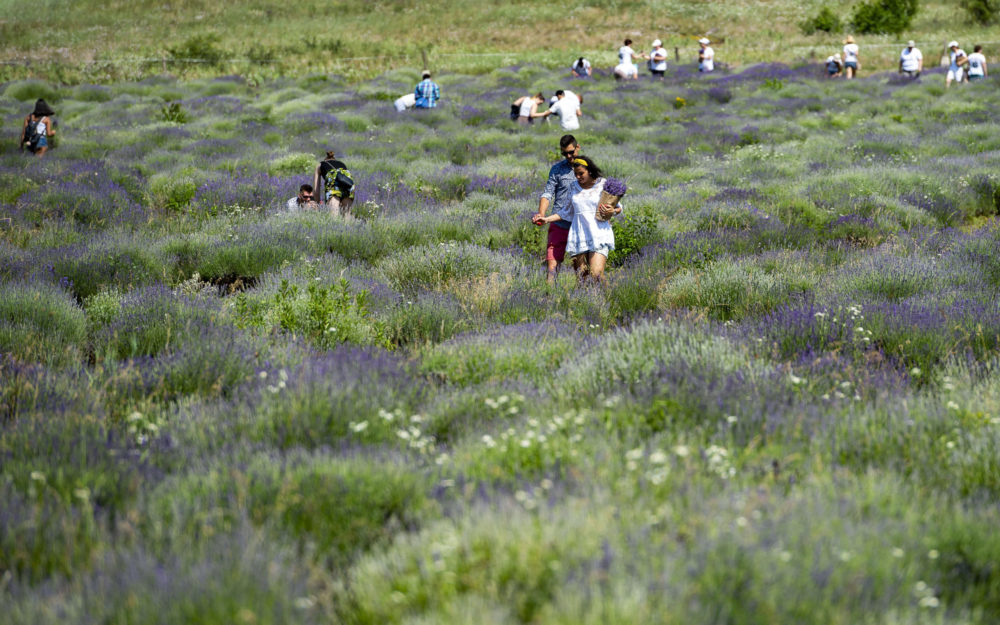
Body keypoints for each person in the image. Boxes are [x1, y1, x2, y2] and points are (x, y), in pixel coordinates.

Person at [535, 155, 621, 283]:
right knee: (582, 278)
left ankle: (611, 298)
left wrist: (612, 211)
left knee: (596, 274)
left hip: (598, 234)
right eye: (576, 174)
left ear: (589, 171)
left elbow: (618, 207)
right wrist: (546, 219)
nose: (578, 177)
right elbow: (565, 212)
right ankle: (589, 302)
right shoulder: (574, 187)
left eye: (581, 173)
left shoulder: (602, 184)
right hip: (579, 236)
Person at [532, 135, 581, 283]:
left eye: (571, 152)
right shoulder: (557, 169)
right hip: (558, 222)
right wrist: (541, 214)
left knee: (579, 268)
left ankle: (580, 300)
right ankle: (549, 298)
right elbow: (548, 193)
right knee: (552, 267)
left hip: (579, 225)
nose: (568, 156)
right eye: (564, 153)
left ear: (578, 147)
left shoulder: (586, 168)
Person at [313, 150, 355, 217]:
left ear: (325, 159)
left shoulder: (320, 165)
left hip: (333, 180)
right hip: (348, 181)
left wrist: (317, 206)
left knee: (333, 216)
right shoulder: (342, 164)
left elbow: (316, 190)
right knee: (347, 215)